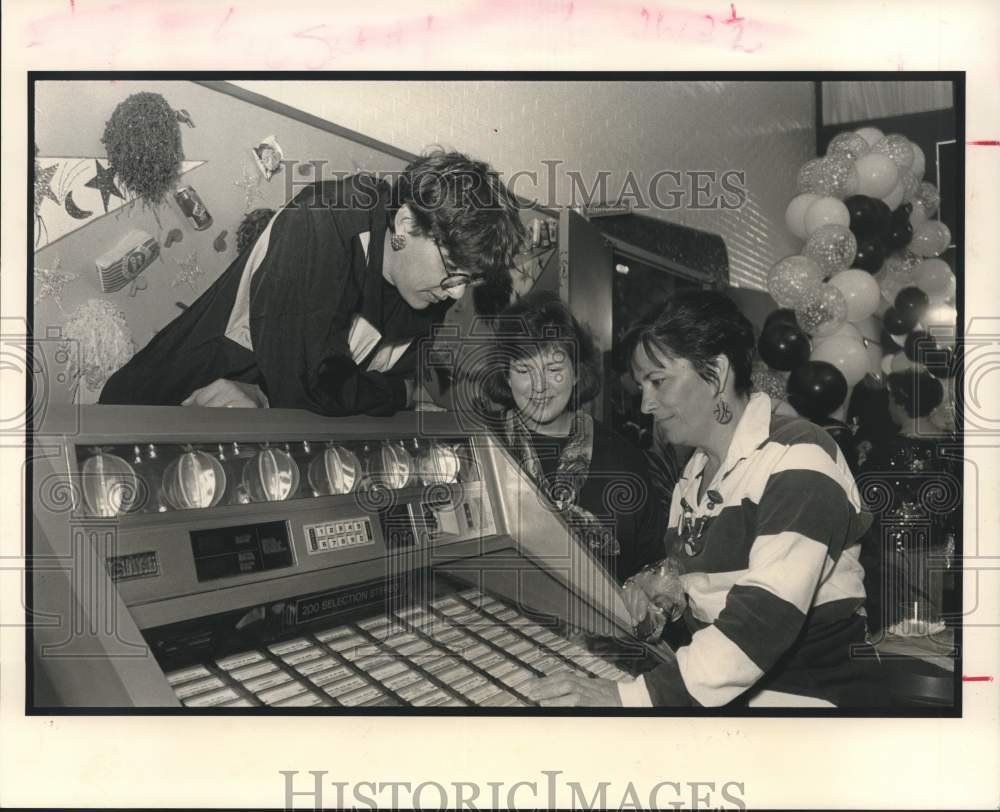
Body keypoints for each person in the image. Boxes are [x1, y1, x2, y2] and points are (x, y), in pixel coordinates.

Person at [525, 290, 884, 708]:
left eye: (658, 381)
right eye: (642, 385)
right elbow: (708, 589)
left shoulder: (800, 455)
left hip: (811, 698)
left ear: (716, 372)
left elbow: (763, 619)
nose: (646, 404)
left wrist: (630, 696)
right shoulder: (694, 473)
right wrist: (660, 594)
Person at [100, 150, 526, 416]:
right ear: (407, 222)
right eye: (453, 270)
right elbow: (310, 390)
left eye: (466, 280)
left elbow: (371, 382)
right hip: (158, 408)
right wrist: (404, 393)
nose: (455, 293)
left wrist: (404, 391)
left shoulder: (426, 287)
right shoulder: (322, 220)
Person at [479, 291, 667, 584]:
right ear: (505, 375)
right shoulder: (481, 450)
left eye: (553, 369)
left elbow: (651, 566)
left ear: (577, 372)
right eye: (524, 370)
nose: (539, 386)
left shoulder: (623, 458)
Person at [858, 369, 959, 634]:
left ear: (902, 402)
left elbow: (864, 501)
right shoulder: (951, 444)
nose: (889, 403)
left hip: (894, 552)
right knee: (925, 623)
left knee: (897, 624)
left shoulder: (887, 451)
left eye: (891, 397)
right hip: (936, 546)